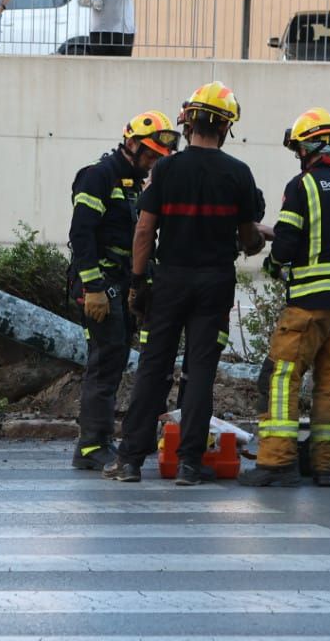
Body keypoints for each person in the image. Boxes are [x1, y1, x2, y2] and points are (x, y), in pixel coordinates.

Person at [105, 83, 264, 486]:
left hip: (169, 280)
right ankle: (190, 464)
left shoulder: (166, 169)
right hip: (215, 283)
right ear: (226, 127)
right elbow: (248, 237)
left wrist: (137, 282)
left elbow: (144, 232)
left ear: (188, 121)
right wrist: (254, 240)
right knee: (200, 371)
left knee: (153, 368)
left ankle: (129, 461)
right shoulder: (238, 174)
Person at [240, 109, 330, 489]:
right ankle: (327, 466)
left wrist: (272, 266)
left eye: (300, 147)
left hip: (308, 302)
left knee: (283, 377)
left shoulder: (302, 186)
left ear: (310, 147)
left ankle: (277, 462)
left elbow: (285, 244)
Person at [68, 110, 179, 471]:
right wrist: (93, 287)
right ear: (131, 144)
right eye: (149, 155)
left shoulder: (132, 184)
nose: (152, 164)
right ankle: (91, 447)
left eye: (157, 159)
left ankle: (107, 439)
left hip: (118, 284)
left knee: (117, 360)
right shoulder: (98, 177)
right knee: (104, 361)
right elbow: (81, 235)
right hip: (98, 283)